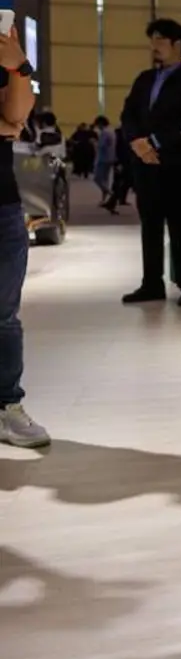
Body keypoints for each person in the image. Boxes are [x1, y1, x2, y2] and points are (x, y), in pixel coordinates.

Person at [119, 18, 181, 307]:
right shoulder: (144, 79)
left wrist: (154, 142)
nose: (154, 46)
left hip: (179, 166)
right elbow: (128, 114)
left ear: (177, 44)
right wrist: (137, 141)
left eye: (160, 41)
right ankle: (151, 283)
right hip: (145, 166)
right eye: (153, 40)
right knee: (150, 226)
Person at [0, 23, 49, 446]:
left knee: (4, 316)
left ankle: (7, 406)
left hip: (2, 203)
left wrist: (19, 67)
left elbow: (15, 118)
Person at [93, 116, 117, 206]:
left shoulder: (104, 133)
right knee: (105, 179)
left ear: (100, 124)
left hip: (103, 158)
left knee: (97, 178)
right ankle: (104, 199)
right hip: (111, 157)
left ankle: (110, 193)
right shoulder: (111, 131)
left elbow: (101, 145)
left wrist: (94, 143)